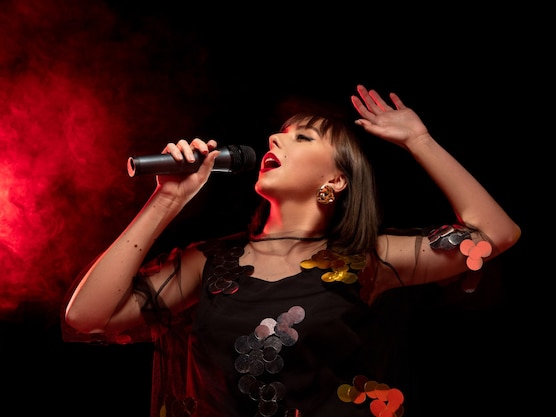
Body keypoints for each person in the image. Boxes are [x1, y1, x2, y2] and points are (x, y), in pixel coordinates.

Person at [63, 84, 521, 417]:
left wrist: (419, 141)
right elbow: (86, 318)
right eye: (279, 135)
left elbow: (496, 234)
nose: (276, 140)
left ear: (335, 181)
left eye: (302, 137)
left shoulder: (366, 258)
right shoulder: (209, 263)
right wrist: (169, 198)